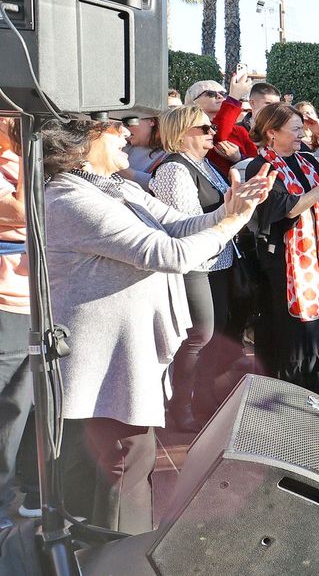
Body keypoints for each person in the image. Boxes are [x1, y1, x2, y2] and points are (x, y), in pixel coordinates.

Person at [42, 117, 272, 533]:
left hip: (125, 353)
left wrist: (231, 208)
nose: (128, 133)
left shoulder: (118, 186)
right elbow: (167, 253)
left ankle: (111, 548)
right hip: (104, 362)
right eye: (114, 128)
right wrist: (231, 224)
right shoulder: (68, 197)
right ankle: (111, 552)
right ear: (81, 141)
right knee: (123, 461)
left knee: (128, 459)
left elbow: (178, 225)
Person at [149, 105, 242, 430]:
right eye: (203, 128)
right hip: (193, 265)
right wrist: (232, 212)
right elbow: (184, 225)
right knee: (198, 337)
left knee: (214, 335)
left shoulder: (202, 164)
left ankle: (202, 399)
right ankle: (180, 405)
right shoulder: (174, 169)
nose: (212, 132)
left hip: (218, 261)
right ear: (181, 132)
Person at [245, 103, 319, 397]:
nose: (302, 135)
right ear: (271, 132)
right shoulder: (261, 166)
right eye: (296, 129)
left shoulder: (307, 162)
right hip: (284, 259)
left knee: (317, 326)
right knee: (292, 329)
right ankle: (289, 394)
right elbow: (288, 209)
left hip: (313, 254)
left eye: (302, 129)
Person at [0, 117, 34, 519]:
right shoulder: (24, 160)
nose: (14, 122)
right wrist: (28, 153)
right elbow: (25, 210)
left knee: (18, 407)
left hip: (35, 303)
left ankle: (8, 492)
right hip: (4, 306)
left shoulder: (27, 159)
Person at [186, 70, 255, 176]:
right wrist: (233, 97)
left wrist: (239, 158)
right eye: (210, 93)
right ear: (193, 101)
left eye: (223, 93)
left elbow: (255, 162)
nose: (219, 96)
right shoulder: (191, 129)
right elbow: (219, 133)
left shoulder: (240, 131)